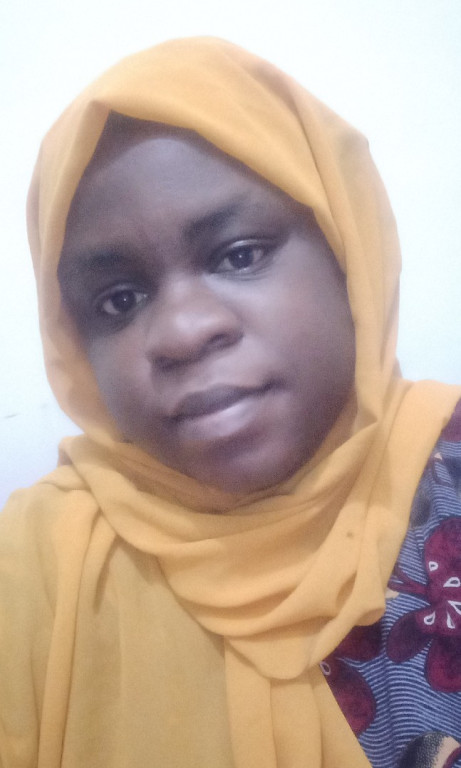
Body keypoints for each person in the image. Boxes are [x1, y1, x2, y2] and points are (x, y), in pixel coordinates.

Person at [1, 36, 460, 768]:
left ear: (347, 250)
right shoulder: (37, 567)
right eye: (118, 300)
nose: (183, 332)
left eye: (238, 254)